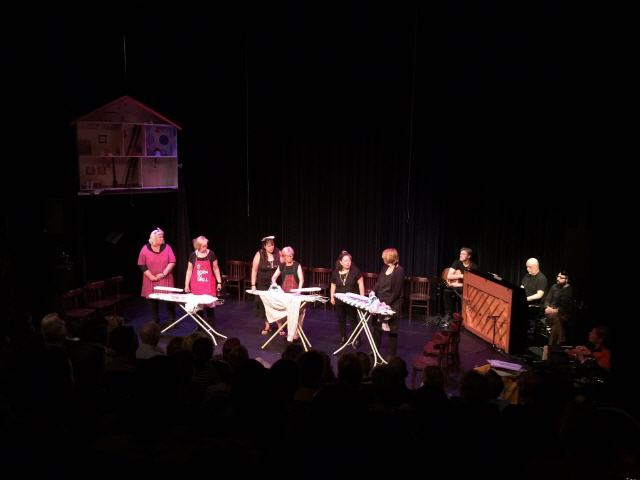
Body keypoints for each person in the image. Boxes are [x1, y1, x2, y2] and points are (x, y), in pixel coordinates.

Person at [371, 248, 405, 358]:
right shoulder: (385, 267)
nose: (382, 258)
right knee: (377, 327)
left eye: (384, 256)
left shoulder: (399, 270)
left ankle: (391, 355)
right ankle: (375, 350)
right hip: (381, 301)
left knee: (392, 330)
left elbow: (396, 292)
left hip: (393, 303)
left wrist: (385, 304)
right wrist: (373, 291)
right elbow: (379, 282)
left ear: (389, 257)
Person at [138, 227, 176, 323]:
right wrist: (151, 276)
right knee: (152, 300)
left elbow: (172, 261)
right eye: (160, 237)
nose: (163, 238)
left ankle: (172, 319)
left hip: (165, 278)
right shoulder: (145, 248)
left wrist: (163, 274)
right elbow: (141, 264)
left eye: (163, 237)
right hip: (150, 279)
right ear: (154, 238)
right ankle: (155, 319)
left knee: (169, 299)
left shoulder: (167, 247)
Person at [184, 235, 222, 327]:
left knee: (209, 307)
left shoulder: (211, 254)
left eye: (206, 245)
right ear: (198, 246)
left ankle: (211, 327)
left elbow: (216, 269)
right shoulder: (193, 255)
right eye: (203, 246)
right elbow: (189, 271)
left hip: (209, 286)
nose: (205, 247)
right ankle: (200, 327)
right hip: (196, 286)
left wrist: (219, 282)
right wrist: (186, 284)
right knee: (198, 308)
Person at [330, 250, 365, 346]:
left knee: (353, 320)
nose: (348, 263)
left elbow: (361, 284)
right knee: (341, 320)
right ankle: (343, 337)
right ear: (341, 262)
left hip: (351, 301)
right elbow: (333, 285)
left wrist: (362, 298)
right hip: (339, 300)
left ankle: (357, 338)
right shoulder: (336, 272)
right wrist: (332, 297)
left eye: (349, 260)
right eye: (345, 261)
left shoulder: (355, 271)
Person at [250, 235, 282, 335]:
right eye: (269, 246)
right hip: (262, 284)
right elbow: (254, 270)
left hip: (275, 285)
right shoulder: (259, 254)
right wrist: (253, 285)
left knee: (277, 305)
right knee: (264, 305)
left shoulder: (278, 252)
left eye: (272, 245)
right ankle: (267, 326)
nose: (271, 247)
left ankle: (280, 326)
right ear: (264, 246)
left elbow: (283, 266)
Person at [271, 246, 304, 338]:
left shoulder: (297, 265)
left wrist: (299, 291)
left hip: (295, 294)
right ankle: (282, 328)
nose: (290, 257)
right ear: (284, 256)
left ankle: (295, 334)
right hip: (284, 294)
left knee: (296, 314)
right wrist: (274, 283)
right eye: (288, 256)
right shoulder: (282, 266)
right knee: (280, 310)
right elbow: (273, 277)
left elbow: (301, 280)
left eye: (291, 255)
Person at [442, 247, 478, 324]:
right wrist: (461, 276)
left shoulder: (473, 267)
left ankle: (463, 316)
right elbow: (449, 276)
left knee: (464, 295)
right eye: (460, 253)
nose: (461, 255)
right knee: (447, 291)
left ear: (469, 256)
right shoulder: (457, 262)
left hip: (466, 288)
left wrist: (458, 284)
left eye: (463, 254)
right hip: (457, 286)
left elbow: (472, 283)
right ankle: (448, 314)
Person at [520, 258, 548, 339]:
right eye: (527, 267)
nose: (527, 269)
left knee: (529, 321)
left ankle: (529, 337)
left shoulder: (541, 278)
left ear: (536, 266)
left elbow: (539, 295)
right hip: (525, 303)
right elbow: (522, 287)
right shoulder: (527, 276)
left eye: (529, 267)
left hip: (535, 306)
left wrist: (525, 299)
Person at [544, 270, 574, 345]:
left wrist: (556, 311)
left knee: (556, 320)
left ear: (567, 279)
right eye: (558, 276)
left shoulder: (570, 290)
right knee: (555, 317)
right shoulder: (554, 286)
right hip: (549, 312)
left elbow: (567, 306)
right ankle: (561, 340)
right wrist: (547, 307)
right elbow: (547, 300)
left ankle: (551, 345)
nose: (558, 278)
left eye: (561, 277)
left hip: (563, 314)